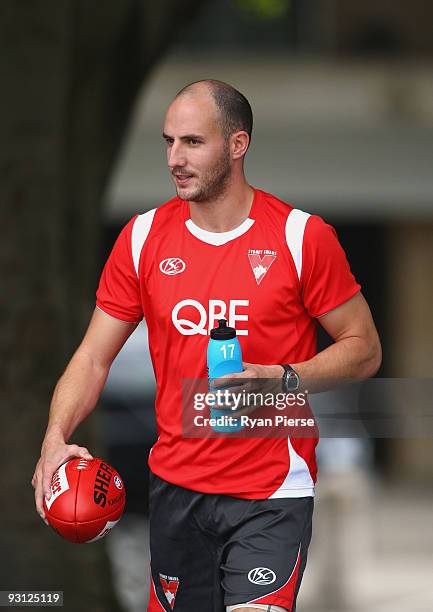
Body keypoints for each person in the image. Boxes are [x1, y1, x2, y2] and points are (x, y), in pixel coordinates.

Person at [32, 79, 381, 612]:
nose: (175, 157)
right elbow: (93, 356)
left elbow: (364, 349)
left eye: (193, 142)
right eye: (169, 142)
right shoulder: (143, 238)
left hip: (272, 490)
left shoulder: (300, 237)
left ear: (237, 145)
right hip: (175, 488)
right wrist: (55, 439)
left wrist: (282, 377)